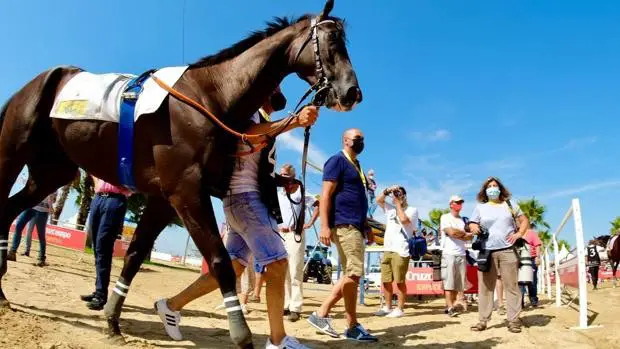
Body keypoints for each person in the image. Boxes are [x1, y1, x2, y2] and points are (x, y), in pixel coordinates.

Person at [154, 88, 318, 349]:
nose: (277, 88)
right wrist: (295, 121)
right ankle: (278, 341)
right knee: (277, 265)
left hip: (243, 200)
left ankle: (170, 305)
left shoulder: (262, 115)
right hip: (246, 200)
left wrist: (281, 181)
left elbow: (254, 164)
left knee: (232, 269)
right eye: (272, 85)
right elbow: (247, 137)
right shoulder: (247, 111)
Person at [307, 128, 378, 343]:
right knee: (354, 273)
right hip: (344, 224)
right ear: (346, 141)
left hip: (355, 225)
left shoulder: (356, 166)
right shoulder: (337, 161)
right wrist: (324, 226)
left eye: (363, 138)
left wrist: (367, 227)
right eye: (357, 138)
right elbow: (325, 194)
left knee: (351, 274)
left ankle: (321, 314)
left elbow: (359, 200)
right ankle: (351, 325)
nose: (361, 141)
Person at [467, 176, 529, 334]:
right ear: (485, 190)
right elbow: (472, 223)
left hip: (508, 249)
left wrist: (519, 234)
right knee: (486, 287)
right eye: (489, 186)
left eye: (495, 185)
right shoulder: (480, 207)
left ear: (500, 189)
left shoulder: (510, 204)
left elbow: (524, 220)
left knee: (512, 286)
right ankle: (483, 320)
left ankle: (513, 320)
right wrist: (473, 226)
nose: (492, 188)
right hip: (487, 251)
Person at [80, 176, 131, 310]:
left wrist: (128, 185)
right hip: (98, 198)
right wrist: (97, 184)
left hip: (115, 199)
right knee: (97, 248)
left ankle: (101, 296)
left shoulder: (125, 158)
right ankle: (98, 291)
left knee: (103, 248)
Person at [277, 164, 316, 322]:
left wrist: (309, 223)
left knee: (295, 271)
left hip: (295, 234)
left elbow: (317, 204)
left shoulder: (300, 191)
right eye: (281, 174)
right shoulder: (279, 192)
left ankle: (296, 307)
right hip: (280, 233)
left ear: (291, 176)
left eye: (285, 174)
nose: (282, 176)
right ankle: (286, 304)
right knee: (284, 271)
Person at [374, 185, 418, 318]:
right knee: (386, 280)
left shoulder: (412, 210)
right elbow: (378, 200)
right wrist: (387, 191)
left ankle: (399, 309)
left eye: (399, 194)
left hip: (401, 249)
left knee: (399, 281)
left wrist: (398, 204)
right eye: (395, 194)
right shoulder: (390, 209)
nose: (396, 196)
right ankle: (388, 307)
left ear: (404, 196)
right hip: (388, 248)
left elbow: (404, 220)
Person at [439, 195, 473, 317]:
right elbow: (451, 232)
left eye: (460, 202)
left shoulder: (464, 220)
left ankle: (451, 305)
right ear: (451, 204)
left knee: (458, 284)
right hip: (449, 253)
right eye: (457, 202)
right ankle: (449, 307)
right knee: (449, 282)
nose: (459, 204)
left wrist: (458, 234)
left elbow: (470, 236)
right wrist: (462, 234)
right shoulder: (445, 217)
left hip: (461, 254)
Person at [7, 193, 56, 266]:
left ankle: (41, 258)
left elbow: (52, 199)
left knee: (40, 235)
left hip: (42, 211)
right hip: (30, 207)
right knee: (19, 227)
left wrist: (51, 204)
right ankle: (12, 252)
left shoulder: (54, 186)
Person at [520, 225, 542, 307]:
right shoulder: (516, 233)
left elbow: (537, 245)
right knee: (520, 281)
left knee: (532, 280)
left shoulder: (531, 233)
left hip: (531, 259)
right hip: (520, 260)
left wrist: (537, 257)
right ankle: (520, 301)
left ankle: (533, 299)